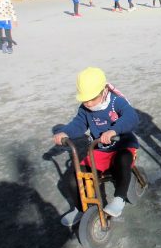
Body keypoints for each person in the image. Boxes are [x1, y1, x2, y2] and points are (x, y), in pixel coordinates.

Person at [53, 67, 139, 226]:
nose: (88, 103)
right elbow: (78, 124)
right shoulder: (85, 108)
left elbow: (131, 116)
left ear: (104, 91)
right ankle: (82, 209)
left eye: (92, 98)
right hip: (100, 150)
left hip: (122, 145)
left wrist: (114, 129)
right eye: (84, 99)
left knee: (122, 161)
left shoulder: (115, 102)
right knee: (75, 177)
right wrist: (64, 132)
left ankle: (119, 199)